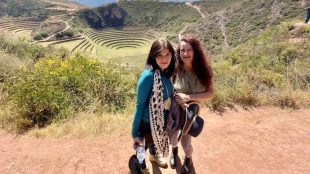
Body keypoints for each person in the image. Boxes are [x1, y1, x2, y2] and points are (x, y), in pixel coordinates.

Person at [169, 35, 214, 174]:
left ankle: (188, 159)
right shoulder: (174, 69)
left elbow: (210, 93)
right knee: (172, 139)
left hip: (191, 112)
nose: (185, 54)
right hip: (175, 111)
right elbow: (169, 89)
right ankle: (174, 152)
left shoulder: (204, 70)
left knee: (186, 143)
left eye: (189, 50)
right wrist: (177, 98)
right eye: (182, 50)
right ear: (179, 51)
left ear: (195, 51)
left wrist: (188, 97)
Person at [131, 38, 176, 173]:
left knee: (154, 142)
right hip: (145, 123)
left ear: (172, 55)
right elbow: (139, 106)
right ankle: (142, 167)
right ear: (153, 56)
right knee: (140, 148)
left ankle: (153, 157)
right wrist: (134, 132)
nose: (164, 59)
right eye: (160, 55)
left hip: (157, 121)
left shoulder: (165, 73)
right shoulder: (148, 77)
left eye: (167, 54)